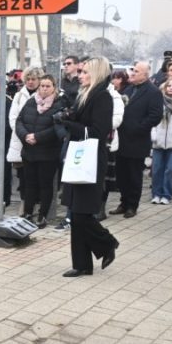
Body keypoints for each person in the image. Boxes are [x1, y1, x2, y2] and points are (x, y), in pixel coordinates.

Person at [58, 57, 119, 277]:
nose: (80, 76)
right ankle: (82, 264)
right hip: (79, 155)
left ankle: (107, 242)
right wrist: (67, 116)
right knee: (76, 213)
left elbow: (98, 131)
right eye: (80, 72)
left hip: (91, 158)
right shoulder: (85, 94)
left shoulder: (102, 97)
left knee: (81, 213)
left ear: (95, 74)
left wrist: (69, 124)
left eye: (84, 72)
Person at [112, 61, 163, 218]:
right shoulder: (128, 89)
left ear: (145, 75)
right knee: (121, 174)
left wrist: (138, 128)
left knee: (134, 175)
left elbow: (155, 116)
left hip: (137, 141)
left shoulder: (153, 92)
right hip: (122, 139)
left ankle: (132, 206)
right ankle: (123, 202)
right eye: (133, 70)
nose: (132, 73)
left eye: (137, 71)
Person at [15, 74, 65, 226]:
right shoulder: (31, 102)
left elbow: (57, 128)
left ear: (54, 88)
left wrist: (38, 137)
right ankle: (28, 213)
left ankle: (42, 216)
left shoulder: (59, 104)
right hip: (29, 151)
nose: (44, 89)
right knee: (29, 184)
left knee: (45, 185)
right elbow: (19, 121)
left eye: (48, 86)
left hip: (48, 153)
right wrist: (25, 135)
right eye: (42, 86)